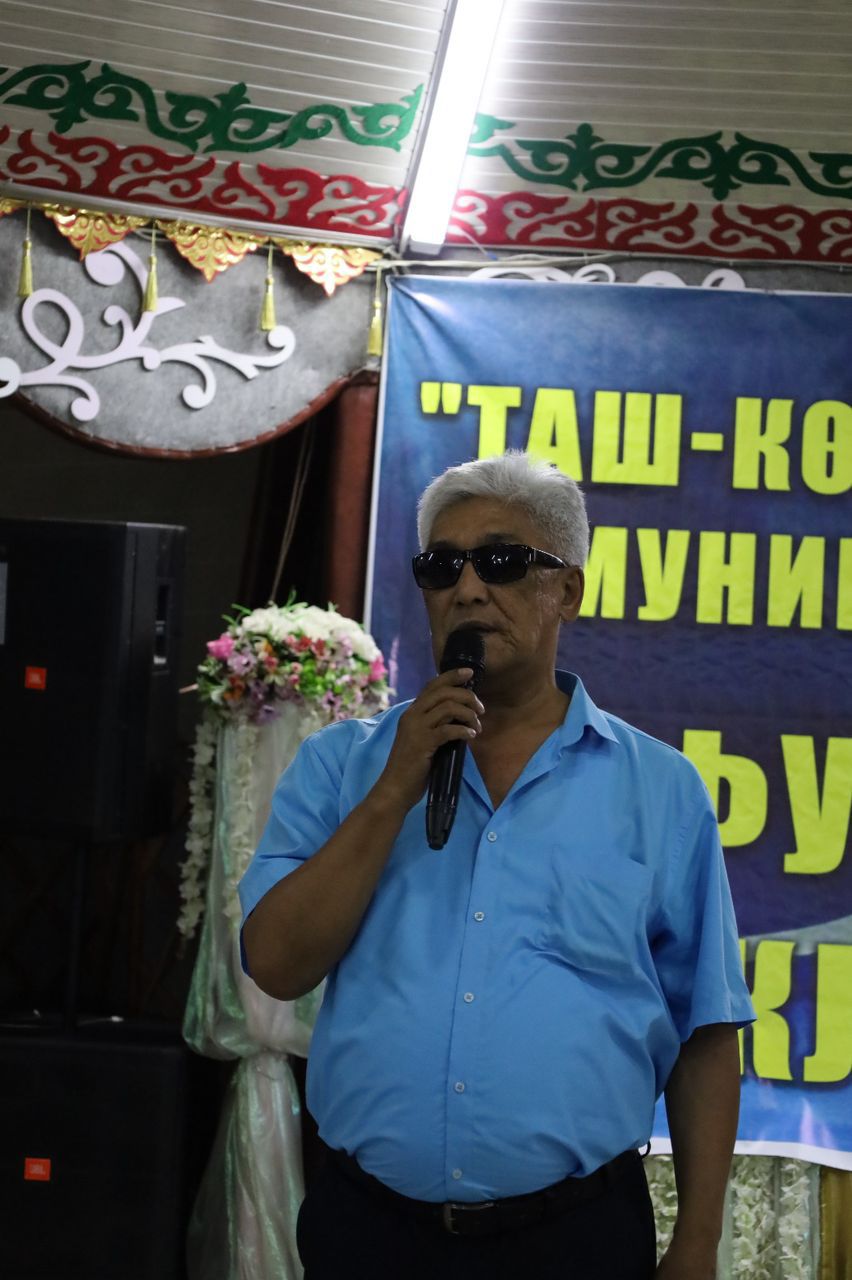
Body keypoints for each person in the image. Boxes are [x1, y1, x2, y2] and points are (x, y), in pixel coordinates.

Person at [240, 450, 754, 1280]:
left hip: (574, 1239)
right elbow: (275, 964)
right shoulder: (342, 767)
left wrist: (697, 1241)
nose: (469, 589)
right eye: (442, 567)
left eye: (504, 561)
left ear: (569, 591)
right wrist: (391, 792)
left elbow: (705, 1032)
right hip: (369, 1231)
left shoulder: (659, 789)